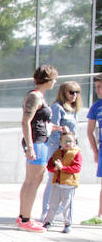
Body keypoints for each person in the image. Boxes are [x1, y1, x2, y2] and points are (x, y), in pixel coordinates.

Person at [18, 65, 58, 232]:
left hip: (38, 140)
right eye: (54, 79)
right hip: (37, 142)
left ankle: (24, 216)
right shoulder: (35, 97)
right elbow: (26, 121)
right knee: (34, 181)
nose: (56, 82)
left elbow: (38, 121)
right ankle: (25, 218)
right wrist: (30, 146)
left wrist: (56, 128)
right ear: (48, 80)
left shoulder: (38, 96)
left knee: (31, 180)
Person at [41, 81, 81, 219]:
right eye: (71, 92)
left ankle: (58, 210)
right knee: (53, 177)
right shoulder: (58, 107)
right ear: (64, 92)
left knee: (66, 179)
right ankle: (46, 210)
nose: (74, 95)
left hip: (70, 149)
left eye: (77, 92)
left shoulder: (73, 109)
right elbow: (51, 127)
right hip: (57, 147)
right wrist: (61, 133)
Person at [43, 132, 82, 233]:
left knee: (67, 205)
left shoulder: (76, 153)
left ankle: (68, 224)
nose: (67, 143)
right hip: (57, 183)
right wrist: (54, 168)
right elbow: (50, 166)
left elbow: (77, 168)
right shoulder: (57, 153)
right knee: (52, 204)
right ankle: (48, 222)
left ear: (74, 142)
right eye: (64, 141)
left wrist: (63, 168)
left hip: (69, 185)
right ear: (60, 142)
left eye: (69, 141)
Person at [82, 75, 102, 225]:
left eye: (101, 87)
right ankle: (100, 216)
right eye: (96, 87)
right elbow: (90, 131)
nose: (98, 90)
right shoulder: (96, 106)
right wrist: (95, 150)